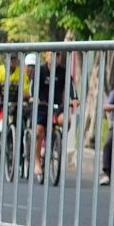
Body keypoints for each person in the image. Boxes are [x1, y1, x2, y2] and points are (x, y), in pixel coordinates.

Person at [30, 50, 70, 180]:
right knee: (39, 131)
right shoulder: (40, 71)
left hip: (57, 106)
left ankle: (54, 141)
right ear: (46, 57)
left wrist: (74, 98)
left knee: (66, 120)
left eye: (58, 55)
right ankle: (37, 161)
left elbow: (71, 87)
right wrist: (33, 97)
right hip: (42, 105)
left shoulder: (64, 72)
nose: (55, 58)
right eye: (52, 55)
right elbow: (32, 88)